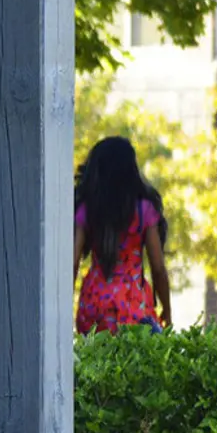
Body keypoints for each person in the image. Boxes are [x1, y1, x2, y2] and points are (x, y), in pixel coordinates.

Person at [73, 136, 172, 334]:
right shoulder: (144, 210)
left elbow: (72, 263)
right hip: (133, 305)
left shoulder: (88, 209)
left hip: (93, 304)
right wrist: (167, 310)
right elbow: (158, 267)